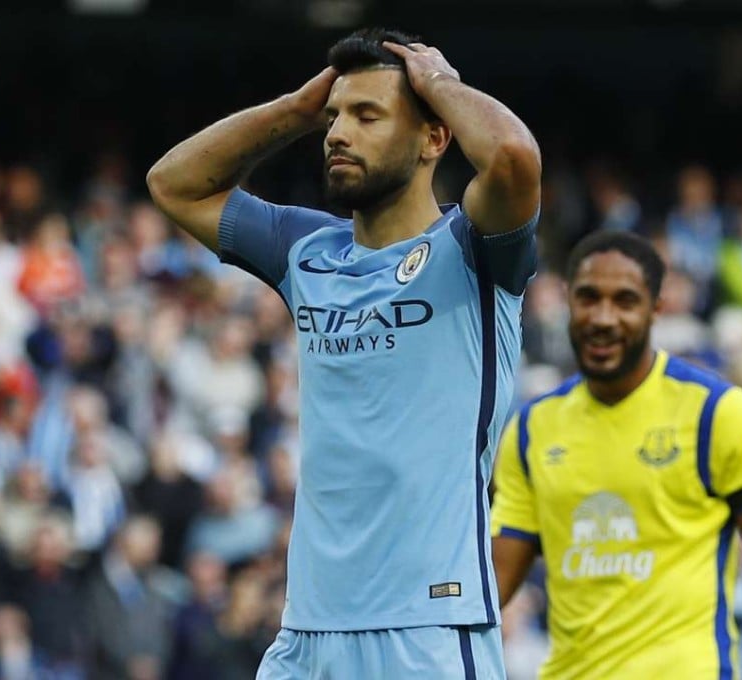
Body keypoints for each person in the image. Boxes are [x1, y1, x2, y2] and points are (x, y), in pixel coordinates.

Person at [146, 27, 541, 679]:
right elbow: (173, 184)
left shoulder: (476, 247)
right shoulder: (306, 249)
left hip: (428, 628)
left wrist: (441, 85)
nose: (338, 133)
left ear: (433, 138)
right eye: (334, 117)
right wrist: (293, 111)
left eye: (367, 115)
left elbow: (514, 158)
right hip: (307, 629)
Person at [490, 230, 742, 679]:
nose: (603, 317)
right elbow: (493, 586)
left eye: (625, 301)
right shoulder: (532, 429)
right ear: (568, 302)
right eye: (588, 298)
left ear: (656, 309)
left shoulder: (716, 413)